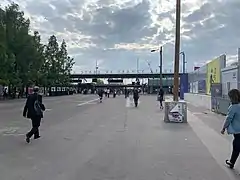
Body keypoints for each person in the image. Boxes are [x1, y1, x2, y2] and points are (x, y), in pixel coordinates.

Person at [221, 89, 240, 169]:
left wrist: (223, 128)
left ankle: (232, 162)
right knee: (236, 146)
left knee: (236, 146)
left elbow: (229, 119)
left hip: (238, 131)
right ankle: (231, 162)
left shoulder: (233, 107)